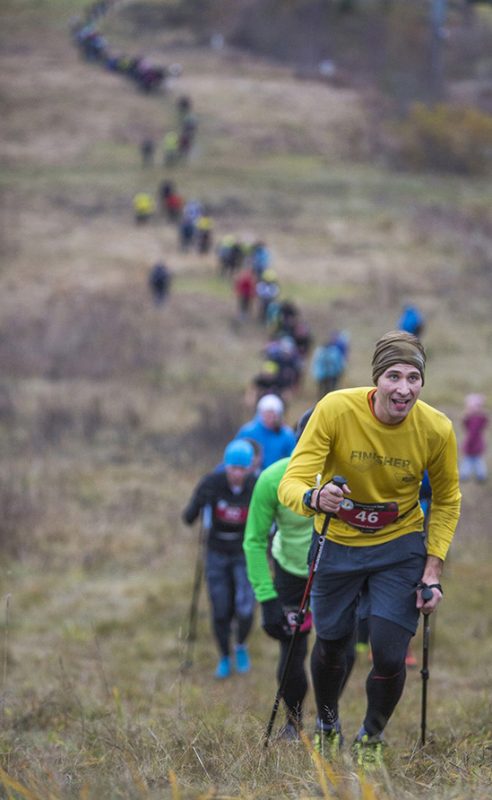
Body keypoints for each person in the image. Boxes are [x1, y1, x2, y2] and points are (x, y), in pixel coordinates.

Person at [278, 330, 461, 767]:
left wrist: (432, 569)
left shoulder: (436, 428)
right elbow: (293, 480)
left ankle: (371, 736)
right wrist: (313, 498)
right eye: (394, 376)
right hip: (338, 542)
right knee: (332, 644)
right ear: (376, 378)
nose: (404, 388)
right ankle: (327, 725)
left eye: (414, 377)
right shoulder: (336, 409)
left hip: (399, 545)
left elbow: (448, 499)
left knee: (389, 650)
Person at [244, 410, 356, 741]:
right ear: (299, 441)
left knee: (342, 651)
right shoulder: (274, 478)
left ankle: (327, 719)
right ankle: (293, 724)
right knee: (292, 651)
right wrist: (267, 598)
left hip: (339, 574)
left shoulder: (352, 479)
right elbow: (254, 540)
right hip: (292, 575)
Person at [182, 439, 258, 679]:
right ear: (225, 466)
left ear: (249, 469)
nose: (236, 473)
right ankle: (224, 656)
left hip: (243, 552)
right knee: (221, 608)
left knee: (245, 608)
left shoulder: (256, 486)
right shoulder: (211, 483)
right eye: (231, 467)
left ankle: (241, 646)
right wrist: (199, 500)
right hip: (216, 553)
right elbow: (188, 517)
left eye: (241, 468)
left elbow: (268, 520)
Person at [235, 394, 296, 471]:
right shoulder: (248, 432)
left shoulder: (287, 435)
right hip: (251, 475)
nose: (270, 417)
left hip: (276, 474)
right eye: (267, 414)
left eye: (273, 414)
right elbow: (236, 453)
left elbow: (292, 457)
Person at [459, 393, 489, 482]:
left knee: (476, 460)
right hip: (472, 443)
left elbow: (476, 430)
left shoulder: (479, 418)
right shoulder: (470, 418)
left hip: (474, 443)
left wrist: (467, 444)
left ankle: (480, 475)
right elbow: (464, 424)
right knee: (469, 460)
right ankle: (466, 474)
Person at [311, 335, 346, 399]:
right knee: (324, 390)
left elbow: (338, 363)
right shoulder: (332, 351)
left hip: (331, 375)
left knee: (329, 390)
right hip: (325, 375)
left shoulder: (332, 351)